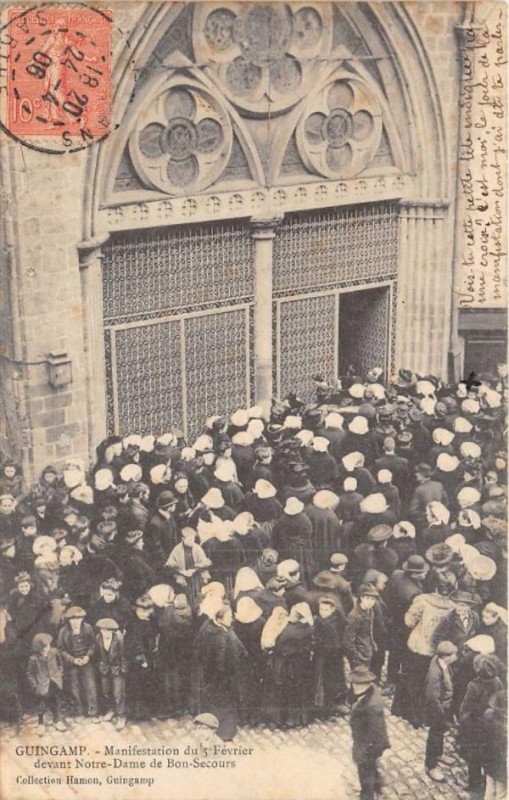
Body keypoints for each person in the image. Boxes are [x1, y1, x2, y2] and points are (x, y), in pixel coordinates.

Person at [193, 602, 247, 741]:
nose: (232, 619)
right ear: (219, 618)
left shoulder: (210, 627)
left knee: (215, 702)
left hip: (212, 675)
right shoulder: (220, 637)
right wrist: (228, 674)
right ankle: (224, 732)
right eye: (229, 617)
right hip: (221, 678)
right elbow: (221, 662)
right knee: (223, 704)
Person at [457, 654, 503, 797]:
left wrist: (463, 726)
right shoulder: (498, 681)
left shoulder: (474, 686)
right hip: (491, 729)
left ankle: (474, 787)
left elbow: (464, 712)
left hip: (475, 730)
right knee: (488, 757)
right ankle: (487, 783)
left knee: (473, 759)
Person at [349, 665, 390, 800]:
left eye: (358, 684)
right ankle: (379, 787)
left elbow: (374, 733)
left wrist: (364, 752)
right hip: (369, 744)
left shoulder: (371, 707)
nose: (354, 687)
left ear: (366, 683)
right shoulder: (371, 690)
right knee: (371, 768)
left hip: (367, 747)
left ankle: (368, 796)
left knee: (365, 775)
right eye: (354, 683)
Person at [423, 640, 458, 782]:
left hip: (444, 707)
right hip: (437, 710)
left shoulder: (443, 663)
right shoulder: (435, 673)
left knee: (439, 733)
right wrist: (441, 717)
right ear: (446, 656)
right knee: (435, 735)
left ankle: (439, 754)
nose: (456, 656)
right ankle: (430, 766)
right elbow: (432, 698)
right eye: (453, 654)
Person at [57, 606, 98, 722]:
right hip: (72, 662)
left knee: (90, 686)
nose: (75, 622)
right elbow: (60, 649)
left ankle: (93, 712)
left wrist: (88, 656)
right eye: (72, 619)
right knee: (74, 688)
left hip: (86, 661)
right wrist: (72, 660)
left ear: (82, 619)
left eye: (78, 619)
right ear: (69, 620)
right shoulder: (63, 631)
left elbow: (93, 644)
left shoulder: (88, 628)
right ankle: (79, 712)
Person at [27, 632, 66, 735]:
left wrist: (59, 674)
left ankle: (57, 720)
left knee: (55, 701)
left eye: (48, 645)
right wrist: (35, 686)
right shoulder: (34, 659)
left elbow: (60, 664)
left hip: (54, 682)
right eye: (44, 647)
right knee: (41, 704)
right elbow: (30, 674)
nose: (47, 648)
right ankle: (41, 724)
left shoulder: (54, 652)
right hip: (42, 685)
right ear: (39, 648)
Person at [95, 617, 127, 730]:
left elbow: (124, 655)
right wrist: (101, 665)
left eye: (109, 630)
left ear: (113, 631)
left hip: (117, 669)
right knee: (106, 691)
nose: (106, 633)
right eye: (103, 630)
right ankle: (112, 710)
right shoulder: (98, 638)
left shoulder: (119, 638)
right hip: (105, 669)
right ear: (100, 630)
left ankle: (121, 715)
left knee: (118, 693)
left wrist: (123, 670)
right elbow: (98, 654)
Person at [344, 584, 378, 671]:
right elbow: (348, 641)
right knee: (358, 678)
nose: (370, 602)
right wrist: (355, 657)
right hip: (358, 658)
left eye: (373, 599)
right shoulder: (354, 616)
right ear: (361, 598)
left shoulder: (370, 611)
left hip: (367, 653)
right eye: (367, 598)